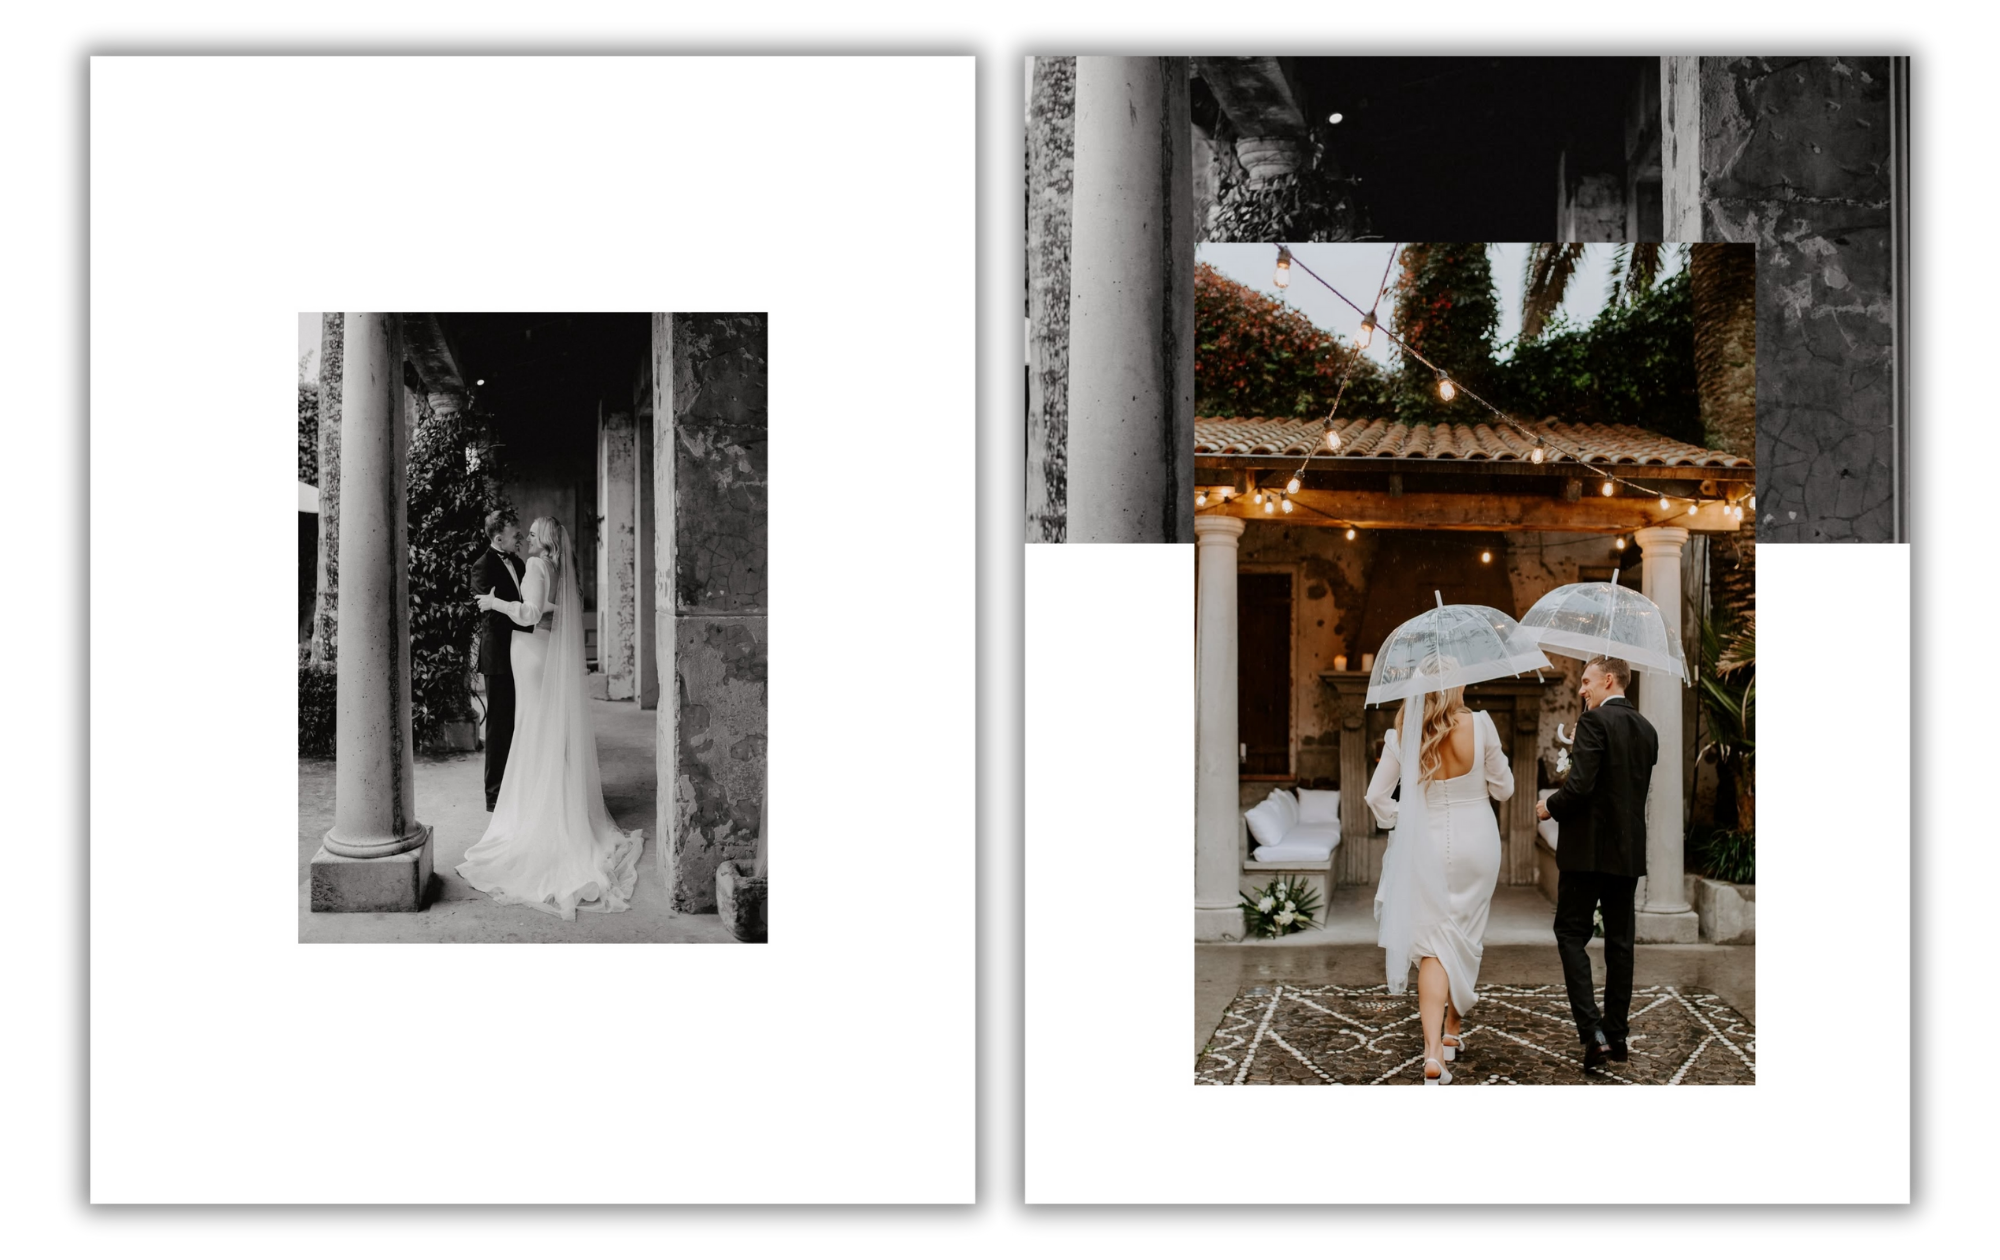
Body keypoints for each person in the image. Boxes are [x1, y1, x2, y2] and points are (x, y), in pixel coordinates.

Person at [457, 516, 645, 919]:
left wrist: (496, 603)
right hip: (539, 650)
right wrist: (542, 612)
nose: (526, 535)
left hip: (530, 652)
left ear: (544, 538)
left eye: (533, 530)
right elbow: (550, 610)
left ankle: (536, 807)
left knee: (530, 725)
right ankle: (552, 797)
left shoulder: (538, 565)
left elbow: (527, 613)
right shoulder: (556, 567)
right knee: (539, 724)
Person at [1365, 683, 1514, 1085]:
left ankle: (1433, 1054)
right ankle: (1453, 1030)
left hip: (1425, 844)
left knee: (1433, 945)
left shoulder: (1403, 734)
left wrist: (1406, 816)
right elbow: (1504, 789)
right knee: (1465, 935)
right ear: (1458, 684)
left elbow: (1376, 796)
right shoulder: (1482, 725)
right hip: (1478, 843)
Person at [1537, 656, 1658, 1072]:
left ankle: (1593, 1037)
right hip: (1626, 855)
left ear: (1609, 680)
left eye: (1586, 682)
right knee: (1620, 944)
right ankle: (1618, 1038)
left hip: (1587, 853)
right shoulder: (1647, 730)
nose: (1582, 690)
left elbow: (1583, 787)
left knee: (1570, 933)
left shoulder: (1593, 723)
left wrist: (1549, 806)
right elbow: (1622, 787)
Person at [470, 513, 532, 812]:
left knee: (523, 720)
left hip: (526, 652)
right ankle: (494, 795)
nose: (519, 538)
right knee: (499, 724)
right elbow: (492, 616)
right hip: (500, 656)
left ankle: (520, 785)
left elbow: (521, 605)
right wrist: (524, 617)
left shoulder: (519, 564)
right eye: (514, 534)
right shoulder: (482, 567)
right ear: (498, 539)